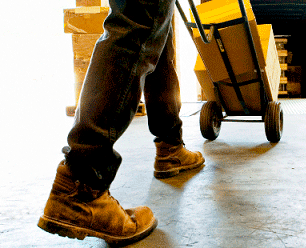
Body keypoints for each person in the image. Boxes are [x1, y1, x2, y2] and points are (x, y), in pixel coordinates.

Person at [37, 0, 205, 245]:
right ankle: (82, 184)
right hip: (82, 183)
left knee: (157, 26)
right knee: (139, 21)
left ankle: (171, 145)